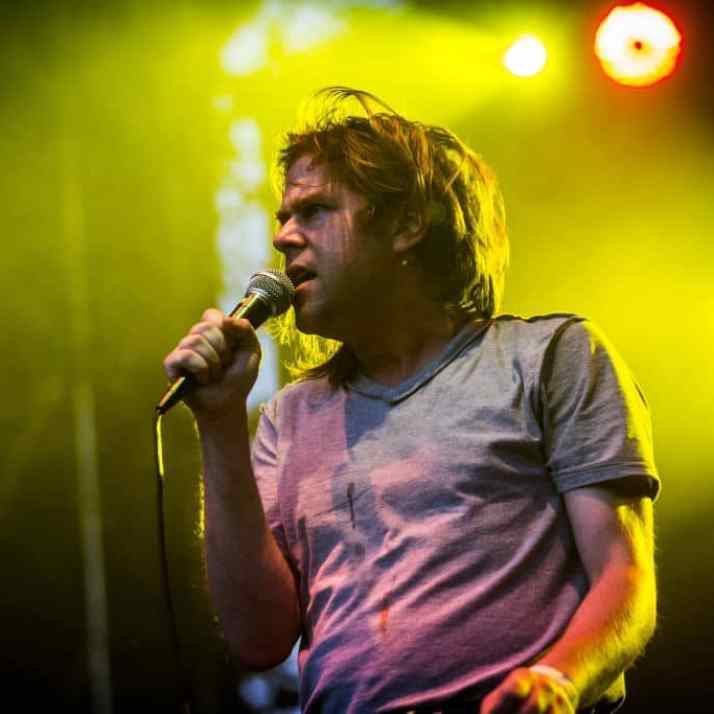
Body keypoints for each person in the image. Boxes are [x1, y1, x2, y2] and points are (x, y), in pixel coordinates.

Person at [163, 87, 659, 714]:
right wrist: (219, 425)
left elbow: (624, 577)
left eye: (314, 211)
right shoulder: (290, 417)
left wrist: (558, 681)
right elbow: (257, 640)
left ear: (406, 224)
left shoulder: (549, 357)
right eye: (283, 217)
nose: (284, 237)